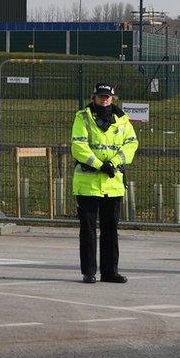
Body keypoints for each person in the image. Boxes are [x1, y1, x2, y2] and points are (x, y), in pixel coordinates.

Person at [71, 83, 138, 284]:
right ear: (94, 98)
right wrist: (100, 165)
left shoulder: (122, 119)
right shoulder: (82, 117)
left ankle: (110, 272)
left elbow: (131, 143)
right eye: (101, 97)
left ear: (113, 98)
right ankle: (89, 271)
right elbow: (78, 146)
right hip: (88, 183)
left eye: (107, 97)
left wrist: (115, 162)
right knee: (88, 230)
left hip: (113, 182)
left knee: (110, 229)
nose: (104, 100)